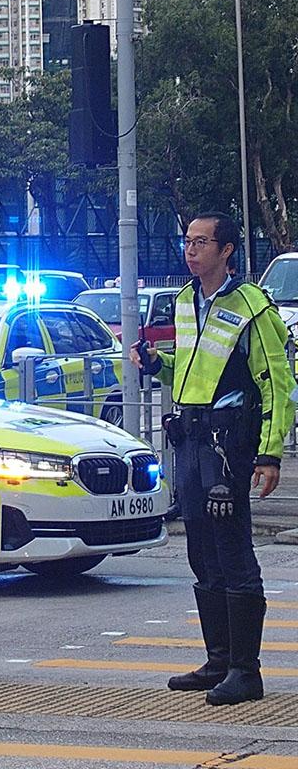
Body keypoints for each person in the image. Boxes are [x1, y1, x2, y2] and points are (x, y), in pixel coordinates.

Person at [133, 211, 295, 707]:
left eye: (202, 242)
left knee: (232, 550)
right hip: (191, 441)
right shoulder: (185, 301)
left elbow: (279, 385)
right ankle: (219, 660)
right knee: (200, 551)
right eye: (188, 241)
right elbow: (192, 371)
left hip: (229, 446)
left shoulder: (252, 307)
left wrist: (269, 454)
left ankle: (246, 671)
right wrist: (158, 364)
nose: (191, 250)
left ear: (227, 251)